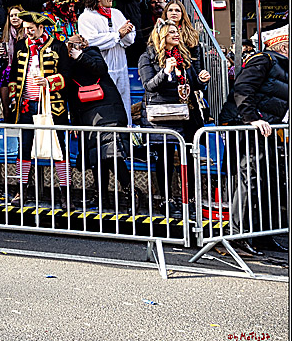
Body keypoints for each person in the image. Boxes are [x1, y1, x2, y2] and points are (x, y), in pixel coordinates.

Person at [224, 25, 288, 253]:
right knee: (249, 178)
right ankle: (238, 234)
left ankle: (262, 233)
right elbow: (242, 87)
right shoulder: (264, 60)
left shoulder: (283, 66)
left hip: (268, 129)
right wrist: (252, 118)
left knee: (270, 179)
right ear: (281, 43)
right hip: (248, 127)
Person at [138, 20, 211, 216]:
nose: (176, 34)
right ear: (161, 36)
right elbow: (149, 86)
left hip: (185, 113)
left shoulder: (183, 55)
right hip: (163, 114)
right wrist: (165, 71)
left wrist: (201, 81)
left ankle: (190, 199)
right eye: (171, 32)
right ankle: (166, 199)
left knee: (189, 157)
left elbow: (193, 84)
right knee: (165, 158)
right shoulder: (147, 57)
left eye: (176, 31)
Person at [6, 11, 74, 208]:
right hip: (27, 106)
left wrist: (49, 81)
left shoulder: (58, 46)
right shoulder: (20, 47)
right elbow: (12, 78)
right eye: (25, 29)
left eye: (31, 29)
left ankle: (65, 194)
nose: (27, 32)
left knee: (60, 150)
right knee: (24, 149)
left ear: (41, 28)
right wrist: (14, 101)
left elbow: (67, 76)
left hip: (53, 108)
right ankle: (21, 191)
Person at [63, 34, 138, 212]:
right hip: (88, 116)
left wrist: (80, 56)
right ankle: (102, 198)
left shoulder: (92, 52)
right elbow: (72, 96)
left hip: (109, 112)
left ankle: (131, 193)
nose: (75, 47)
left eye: (78, 43)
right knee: (96, 158)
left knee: (112, 155)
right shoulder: (69, 65)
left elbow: (100, 69)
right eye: (71, 45)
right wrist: (75, 122)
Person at [77, 0, 137, 125]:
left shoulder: (116, 13)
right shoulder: (86, 17)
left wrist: (126, 32)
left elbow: (129, 40)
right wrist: (117, 35)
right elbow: (91, 41)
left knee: (124, 102)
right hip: (101, 68)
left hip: (120, 65)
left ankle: (125, 135)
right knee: (106, 105)